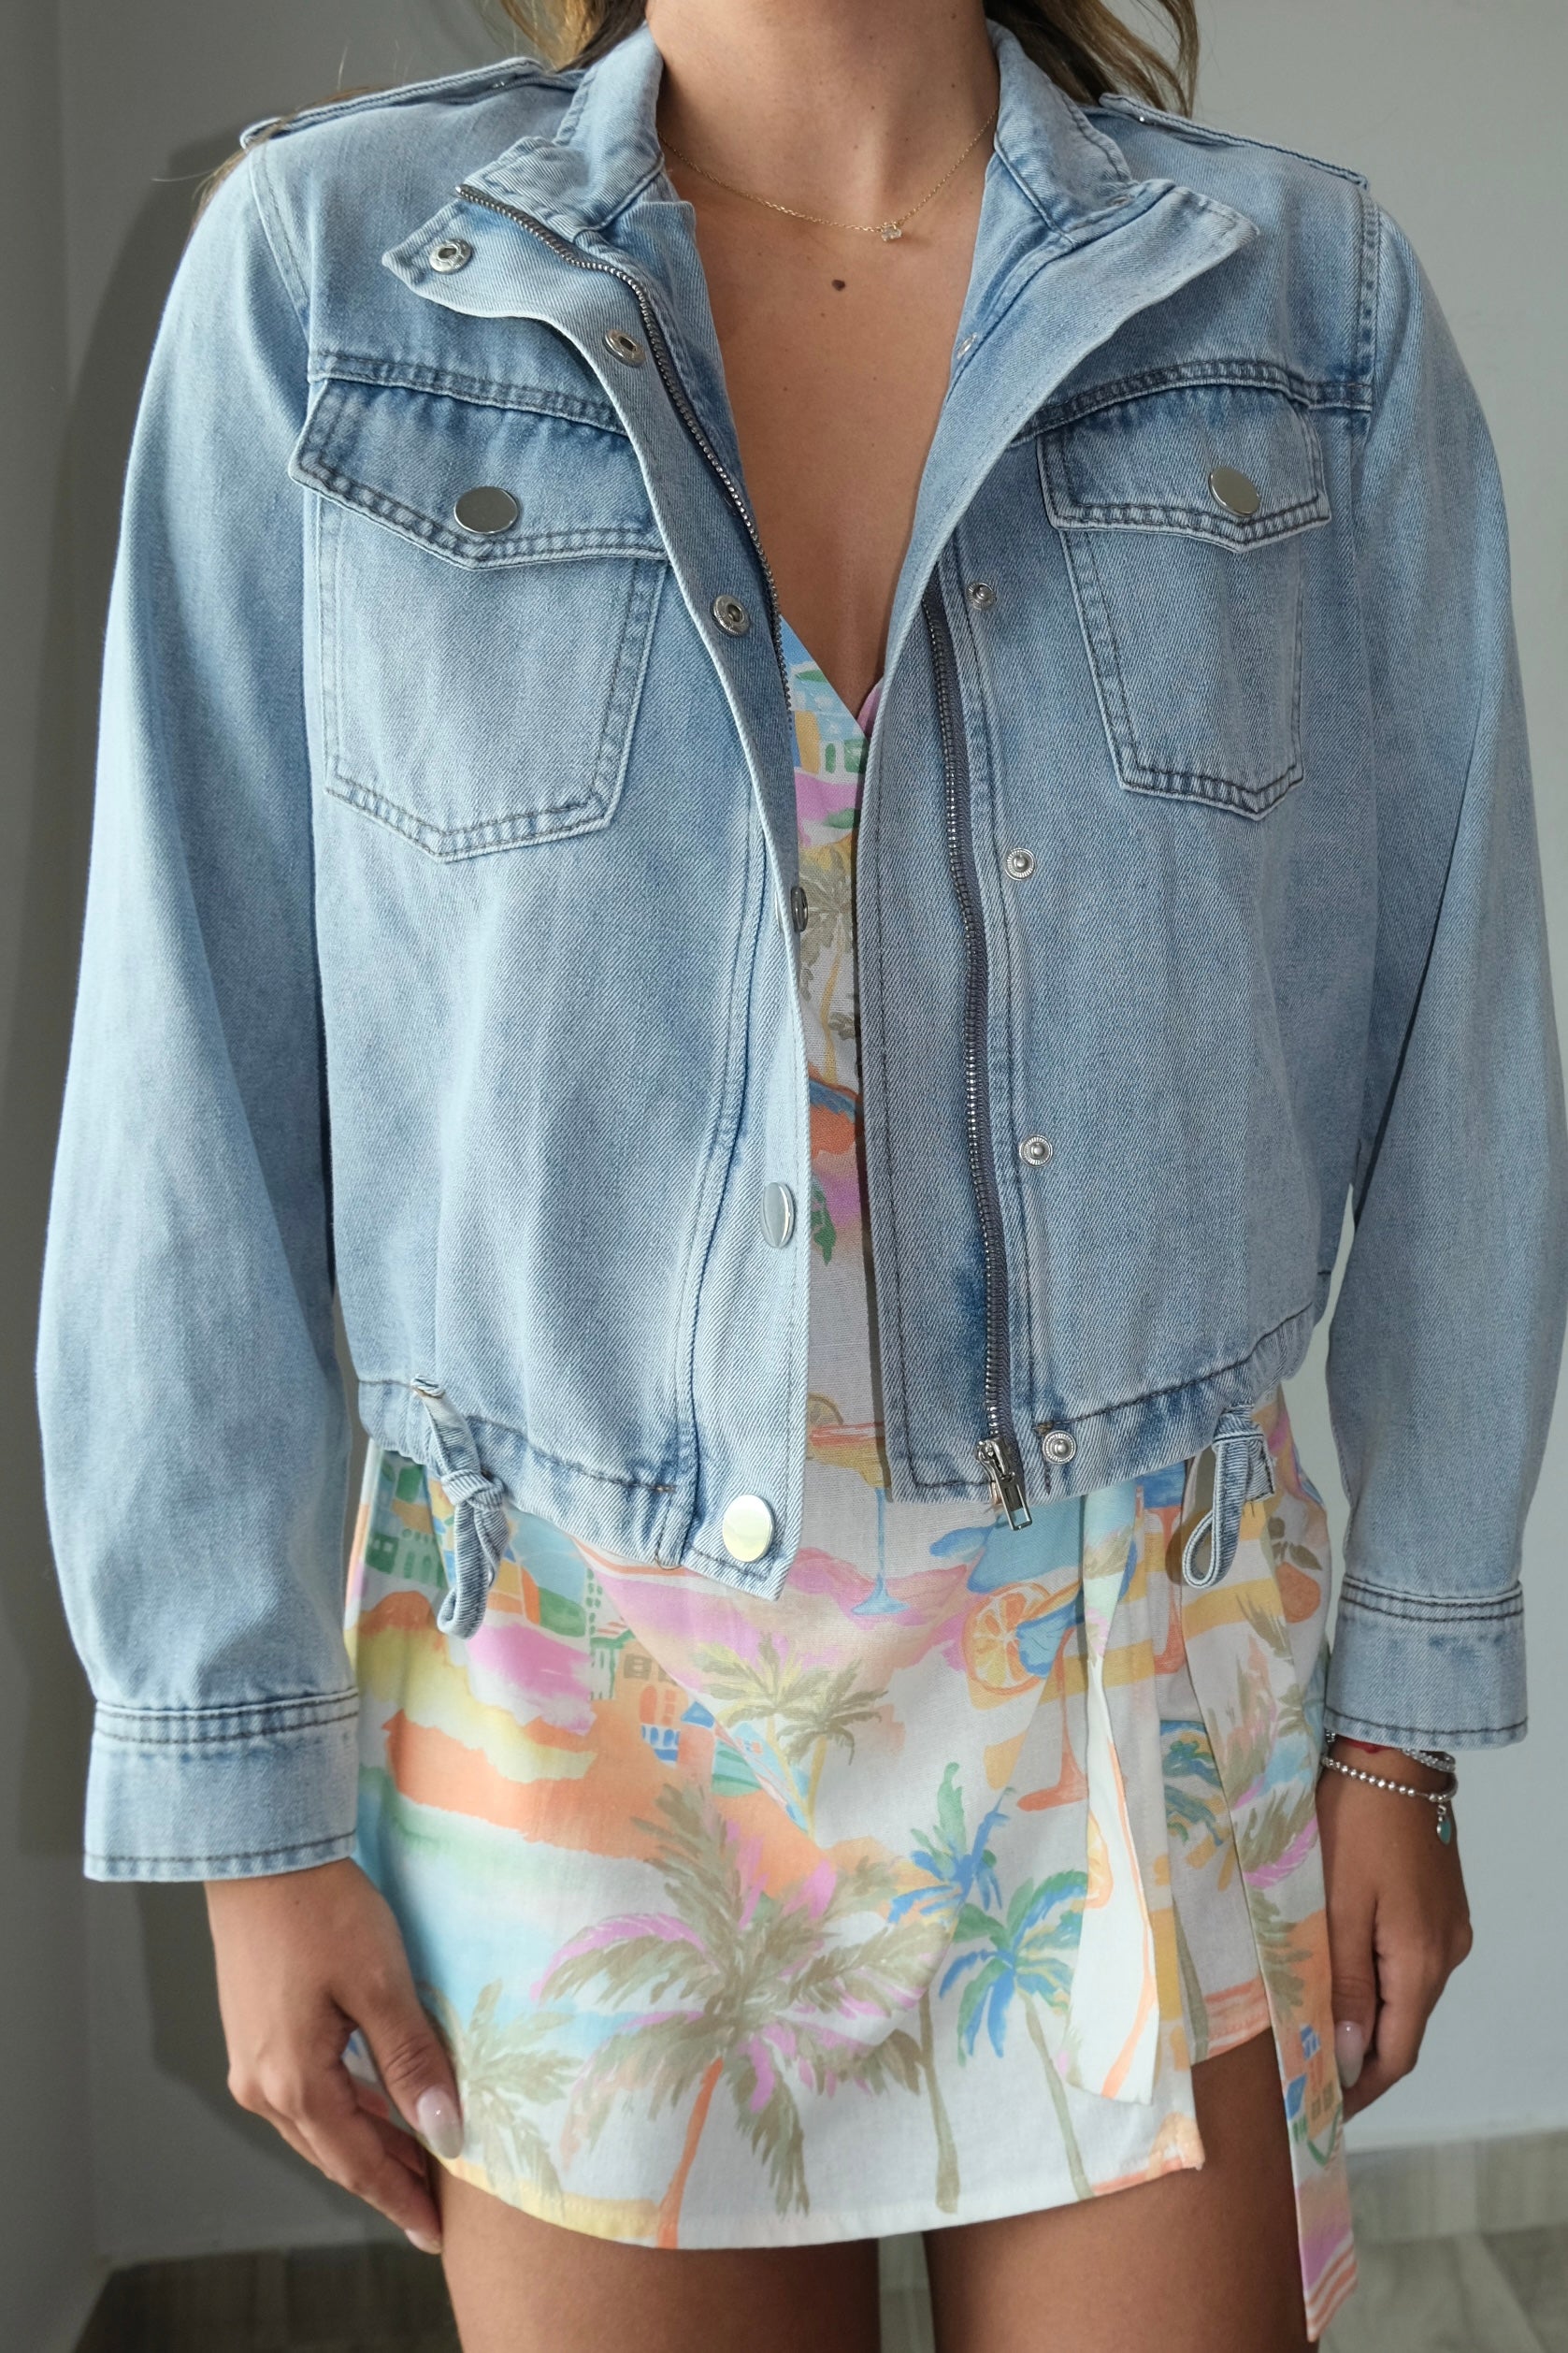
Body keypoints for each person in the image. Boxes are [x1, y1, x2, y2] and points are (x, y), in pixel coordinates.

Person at [34, 3, 1567, 2347]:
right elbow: (186, 1071)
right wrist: (244, 1802)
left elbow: (1460, 1036)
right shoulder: (334, 282)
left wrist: (1399, 1724)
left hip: (1129, 1675)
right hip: (561, 1689)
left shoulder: (1296, 309)